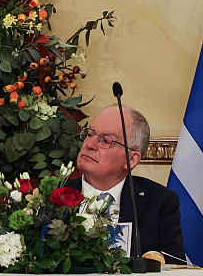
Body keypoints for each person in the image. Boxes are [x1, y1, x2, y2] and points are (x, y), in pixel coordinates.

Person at [65, 104, 185, 263]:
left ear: (131, 159)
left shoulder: (159, 202)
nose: (89, 144)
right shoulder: (51, 195)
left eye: (105, 140)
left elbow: (173, 270)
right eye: (90, 134)